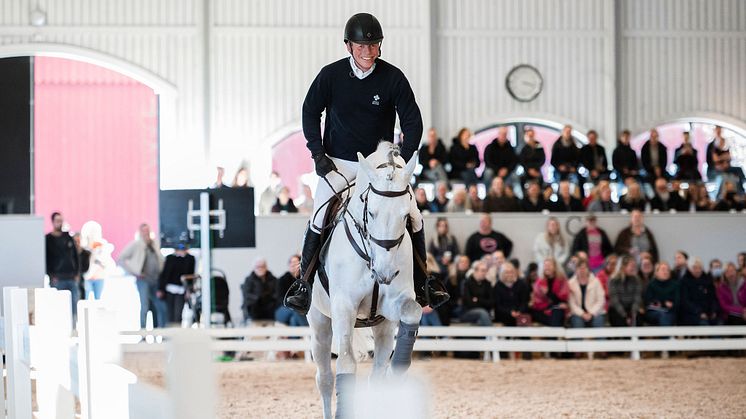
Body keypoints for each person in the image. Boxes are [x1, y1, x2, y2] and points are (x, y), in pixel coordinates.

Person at [284, 13, 448, 314]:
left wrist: (402, 158)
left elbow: (413, 120)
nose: (368, 52)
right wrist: (317, 155)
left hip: (379, 167)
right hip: (338, 164)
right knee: (319, 216)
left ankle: (426, 283)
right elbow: (310, 113)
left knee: (414, 214)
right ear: (348, 46)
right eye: (361, 46)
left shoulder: (393, 77)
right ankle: (303, 285)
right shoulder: (330, 75)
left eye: (373, 45)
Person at [119, 223, 166, 328]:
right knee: (145, 306)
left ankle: (158, 331)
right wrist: (134, 272)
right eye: (144, 231)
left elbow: (160, 260)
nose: (146, 233)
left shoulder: (154, 244)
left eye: (148, 231)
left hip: (155, 280)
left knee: (157, 306)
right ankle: (143, 331)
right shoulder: (136, 244)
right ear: (140, 232)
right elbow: (121, 258)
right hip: (143, 280)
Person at [45, 212, 80, 317]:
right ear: (53, 222)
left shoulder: (68, 237)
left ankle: (74, 326)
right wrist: (50, 275)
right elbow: (46, 258)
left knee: (74, 304)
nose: (59, 223)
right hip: (57, 278)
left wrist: (77, 273)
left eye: (61, 221)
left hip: (71, 277)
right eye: (57, 221)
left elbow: (76, 256)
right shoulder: (48, 239)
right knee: (59, 306)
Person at [158, 242, 196, 325]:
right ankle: (169, 334)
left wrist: (189, 290)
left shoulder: (190, 259)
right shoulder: (170, 258)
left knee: (178, 314)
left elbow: (190, 275)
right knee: (169, 315)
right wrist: (160, 289)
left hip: (181, 290)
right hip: (169, 289)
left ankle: (176, 334)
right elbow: (164, 274)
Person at [679, 258, 720, 325]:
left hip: (709, 313)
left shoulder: (707, 280)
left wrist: (714, 311)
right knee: (704, 324)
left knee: (720, 325)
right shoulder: (684, 282)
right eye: (695, 268)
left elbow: (714, 298)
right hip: (692, 314)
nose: (698, 270)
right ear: (689, 268)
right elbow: (686, 302)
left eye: (700, 267)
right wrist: (699, 312)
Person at [530, 258, 569, 327]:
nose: (547, 267)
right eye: (545, 266)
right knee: (530, 312)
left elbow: (562, 300)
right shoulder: (540, 281)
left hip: (556, 308)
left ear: (555, 267)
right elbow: (536, 300)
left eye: (549, 265)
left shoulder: (562, 280)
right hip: (541, 308)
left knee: (557, 311)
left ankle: (553, 335)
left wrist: (548, 292)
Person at [568, 259, 606, 328]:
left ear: (588, 269)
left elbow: (601, 300)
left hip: (594, 312)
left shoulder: (596, 281)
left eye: (584, 268)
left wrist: (591, 313)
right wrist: (582, 314)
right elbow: (571, 303)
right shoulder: (571, 283)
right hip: (578, 314)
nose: (582, 270)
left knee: (599, 320)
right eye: (580, 268)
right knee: (577, 322)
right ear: (576, 270)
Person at [275, 255, 309, 327]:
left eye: (296, 264)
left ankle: (295, 338)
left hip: (296, 311)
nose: (294, 266)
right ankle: (308, 331)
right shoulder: (282, 280)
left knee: (293, 319)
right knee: (296, 310)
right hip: (282, 309)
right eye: (292, 264)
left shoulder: (303, 280)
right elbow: (279, 299)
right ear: (289, 265)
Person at [608, 255, 642, 327]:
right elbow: (615, 301)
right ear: (623, 267)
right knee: (620, 319)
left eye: (634, 266)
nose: (634, 268)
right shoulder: (613, 280)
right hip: (617, 309)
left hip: (632, 308)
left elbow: (637, 299)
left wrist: (632, 314)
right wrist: (625, 316)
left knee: (638, 317)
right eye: (632, 266)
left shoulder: (637, 280)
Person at [492, 262, 530, 326]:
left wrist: (519, 311)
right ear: (501, 274)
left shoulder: (522, 284)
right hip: (504, 314)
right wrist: (510, 312)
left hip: (520, 312)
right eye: (506, 272)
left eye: (511, 272)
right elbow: (498, 305)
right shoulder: (497, 286)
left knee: (524, 319)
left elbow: (525, 302)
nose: (510, 274)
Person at [242, 258, 278, 322]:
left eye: (262, 266)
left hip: (269, 304)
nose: (260, 268)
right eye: (258, 267)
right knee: (254, 306)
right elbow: (247, 294)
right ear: (254, 268)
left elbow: (276, 292)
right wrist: (258, 298)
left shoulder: (273, 279)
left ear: (266, 267)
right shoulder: (249, 280)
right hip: (255, 304)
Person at [644, 261, 679, 326]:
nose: (665, 272)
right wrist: (665, 302)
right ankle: (668, 336)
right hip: (654, 312)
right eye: (663, 269)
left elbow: (677, 301)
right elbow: (648, 301)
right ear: (656, 272)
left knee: (667, 316)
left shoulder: (675, 285)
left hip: (671, 311)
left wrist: (661, 301)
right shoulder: (651, 285)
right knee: (663, 316)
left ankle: (667, 336)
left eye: (667, 270)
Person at [460, 261, 493, 326]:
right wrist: (484, 302)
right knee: (482, 312)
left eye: (486, 271)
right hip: (467, 312)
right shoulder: (466, 283)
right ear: (475, 271)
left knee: (482, 317)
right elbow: (469, 303)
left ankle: (489, 335)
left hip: (485, 312)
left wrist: (477, 300)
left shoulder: (488, 284)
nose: (485, 273)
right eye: (483, 271)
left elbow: (491, 303)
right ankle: (492, 335)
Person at [73, 233, 91, 300]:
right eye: (75, 241)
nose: (77, 243)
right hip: (71, 279)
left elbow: (86, 268)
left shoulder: (86, 253)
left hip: (80, 279)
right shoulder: (69, 252)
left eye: (79, 241)